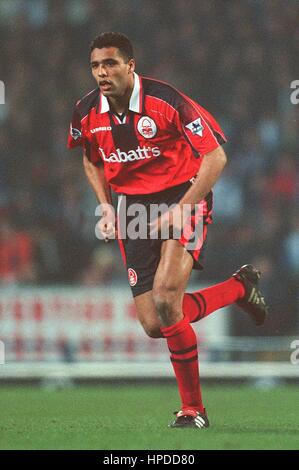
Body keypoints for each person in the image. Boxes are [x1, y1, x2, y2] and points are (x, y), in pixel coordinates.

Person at [68, 32, 268, 429]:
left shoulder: (167, 101)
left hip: (183, 196)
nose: (102, 73)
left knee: (165, 298)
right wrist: (105, 207)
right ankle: (239, 288)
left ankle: (193, 410)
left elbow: (216, 156)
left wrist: (182, 208)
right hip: (131, 207)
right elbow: (91, 159)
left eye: (110, 64)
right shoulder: (86, 112)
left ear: (130, 65)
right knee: (155, 323)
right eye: (95, 66)